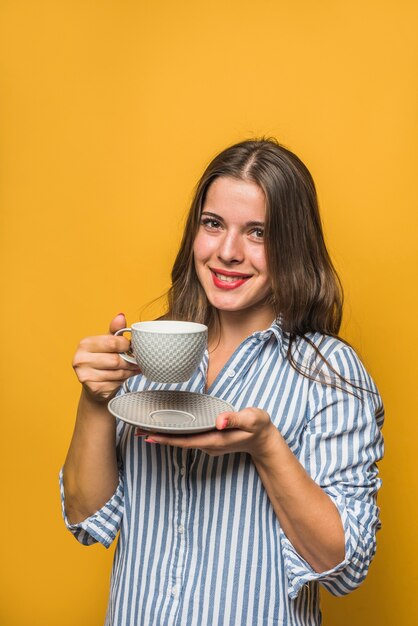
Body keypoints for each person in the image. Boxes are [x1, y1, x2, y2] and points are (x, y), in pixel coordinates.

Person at [60, 138, 384, 626]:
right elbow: (88, 519)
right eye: (213, 225)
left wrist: (267, 447)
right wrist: (94, 400)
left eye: (258, 232)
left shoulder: (331, 374)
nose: (227, 252)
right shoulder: (151, 350)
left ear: (294, 245)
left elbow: (344, 567)